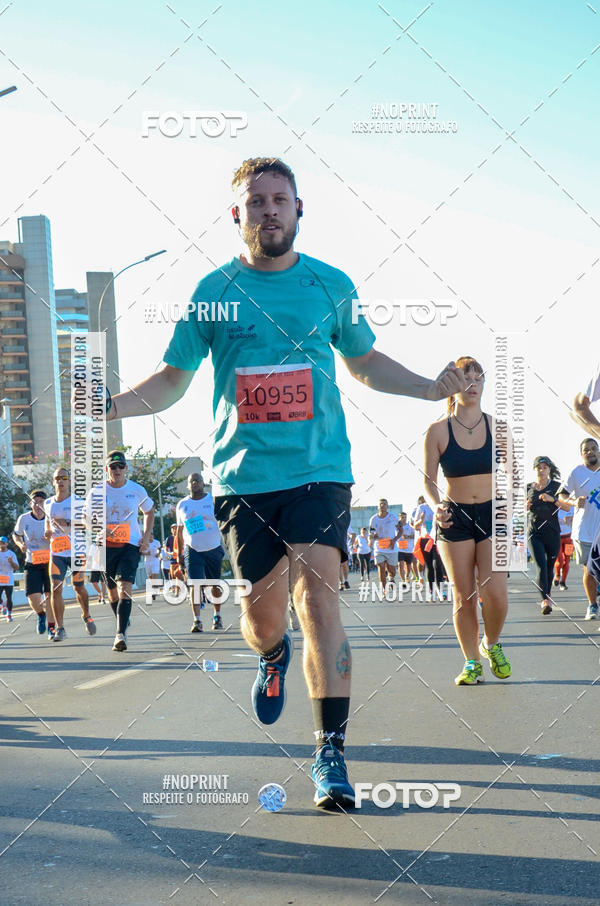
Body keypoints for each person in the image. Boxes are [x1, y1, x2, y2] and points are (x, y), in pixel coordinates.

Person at [104, 156, 466, 808]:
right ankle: (272, 657)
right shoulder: (212, 292)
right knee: (261, 617)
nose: (269, 209)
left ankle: (330, 753)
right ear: (236, 214)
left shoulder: (329, 285)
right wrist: (112, 405)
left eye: (280, 199)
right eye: (257, 201)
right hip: (243, 480)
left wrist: (426, 388)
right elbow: (171, 379)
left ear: (298, 210)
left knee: (320, 602)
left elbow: (363, 363)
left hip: (319, 472)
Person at [424, 355, 512, 686]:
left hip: (493, 513)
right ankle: (471, 661)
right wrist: (435, 507)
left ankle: (491, 644)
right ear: (454, 386)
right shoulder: (437, 431)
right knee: (463, 596)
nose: (473, 384)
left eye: (478, 378)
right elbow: (429, 482)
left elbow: (512, 474)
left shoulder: (498, 427)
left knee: (496, 595)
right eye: (466, 377)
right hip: (454, 517)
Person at [87, 451, 154, 651]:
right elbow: (85, 517)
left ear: (126, 469)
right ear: (107, 469)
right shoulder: (97, 492)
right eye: (113, 467)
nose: (117, 470)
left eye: (120, 466)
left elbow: (149, 511)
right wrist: (99, 528)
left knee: (125, 587)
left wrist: (146, 538)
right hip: (105, 545)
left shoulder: (136, 490)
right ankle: (122, 619)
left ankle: (120, 634)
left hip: (130, 544)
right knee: (112, 592)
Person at [44, 467, 95, 642]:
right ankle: (60, 628)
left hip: (77, 551)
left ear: (69, 481)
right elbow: (47, 525)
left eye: (64, 478)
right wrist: (48, 532)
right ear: (53, 482)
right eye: (57, 478)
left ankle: (86, 615)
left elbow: (87, 525)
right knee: (55, 588)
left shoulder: (78, 502)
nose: (60, 481)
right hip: (57, 552)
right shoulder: (48, 503)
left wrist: (66, 522)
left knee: (78, 587)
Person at [176, 473, 225, 632]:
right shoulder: (182, 505)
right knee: (194, 585)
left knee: (214, 585)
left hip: (213, 548)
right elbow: (179, 531)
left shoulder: (212, 500)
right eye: (192, 481)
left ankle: (217, 615)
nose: (195, 483)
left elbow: (224, 522)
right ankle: (196, 620)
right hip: (192, 549)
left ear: (203, 483)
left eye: (198, 481)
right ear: (188, 485)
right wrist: (179, 553)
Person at [559, 438, 600, 620]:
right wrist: (574, 502)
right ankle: (592, 605)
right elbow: (561, 496)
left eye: (594, 448)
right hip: (584, 531)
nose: (590, 452)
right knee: (589, 570)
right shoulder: (576, 473)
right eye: (586, 450)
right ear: (582, 453)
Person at [527, 456, 570, 615]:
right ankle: (545, 600)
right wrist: (526, 505)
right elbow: (521, 507)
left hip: (552, 532)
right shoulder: (528, 487)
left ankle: (548, 595)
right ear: (535, 469)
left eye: (545, 467)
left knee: (550, 567)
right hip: (534, 532)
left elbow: (566, 507)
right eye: (539, 467)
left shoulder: (557, 486)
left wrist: (552, 500)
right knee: (541, 567)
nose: (542, 470)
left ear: (549, 469)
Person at [13, 489, 51, 635]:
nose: (38, 505)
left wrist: (51, 537)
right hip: (32, 562)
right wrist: (20, 544)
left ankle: (52, 627)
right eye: (35, 502)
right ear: (31, 504)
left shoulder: (51, 519)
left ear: (45, 504)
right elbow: (16, 535)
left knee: (49, 596)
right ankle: (41, 615)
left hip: (50, 563)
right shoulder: (24, 519)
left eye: (41, 502)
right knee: (32, 596)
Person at [369, 499, 401, 591]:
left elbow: (401, 530)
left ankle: (391, 578)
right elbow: (371, 533)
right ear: (378, 507)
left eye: (384, 504)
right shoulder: (373, 519)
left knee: (392, 570)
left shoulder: (393, 517)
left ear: (387, 506)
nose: (382, 505)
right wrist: (372, 537)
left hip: (391, 548)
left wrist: (394, 540)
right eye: (380, 504)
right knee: (381, 566)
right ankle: (384, 589)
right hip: (379, 548)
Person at [554, 503, 574, 591]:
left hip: (569, 538)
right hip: (557, 538)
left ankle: (563, 582)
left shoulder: (572, 507)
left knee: (567, 560)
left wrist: (571, 520)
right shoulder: (555, 507)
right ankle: (557, 575)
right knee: (560, 561)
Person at [0, 537, 19, 622]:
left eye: (3, 543)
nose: (1, 544)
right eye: (0, 543)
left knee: (9, 597)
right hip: (0, 577)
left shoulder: (11, 554)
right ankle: (2, 606)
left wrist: (11, 562)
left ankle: (9, 614)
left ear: (7, 544)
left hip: (9, 578)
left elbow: (17, 567)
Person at [396, 512, 417, 587]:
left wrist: (408, 537)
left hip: (409, 549)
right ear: (399, 518)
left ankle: (407, 576)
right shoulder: (396, 527)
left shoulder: (410, 526)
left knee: (408, 565)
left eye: (405, 517)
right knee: (400, 564)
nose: (403, 519)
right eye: (402, 517)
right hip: (399, 549)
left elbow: (415, 535)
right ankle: (403, 580)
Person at [143, 533, 162, 604]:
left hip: (155, 561)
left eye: (151, 536)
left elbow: (159, 549)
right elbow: (141, 552)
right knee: (150, 578)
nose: (150, 537)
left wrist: (158, 553)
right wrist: (145, 553)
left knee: (154, 577)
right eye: (149, 536)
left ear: (153, 536)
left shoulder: (157, 542)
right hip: (147, 561)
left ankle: (154, 592)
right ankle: (155, 589)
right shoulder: (144, 542)